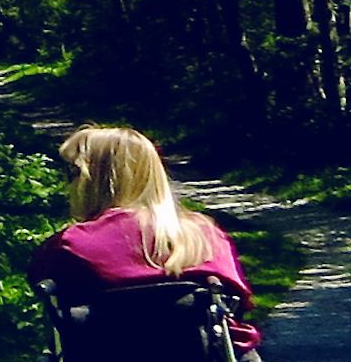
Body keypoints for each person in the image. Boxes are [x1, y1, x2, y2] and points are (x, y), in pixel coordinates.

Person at [37, 123, 257, 344]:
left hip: (110, 360)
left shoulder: (72, 243)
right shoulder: (205, 235)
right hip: (202, 360)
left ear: (90, 180)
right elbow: (239, 302)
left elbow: (42, 283)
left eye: (72, 173)